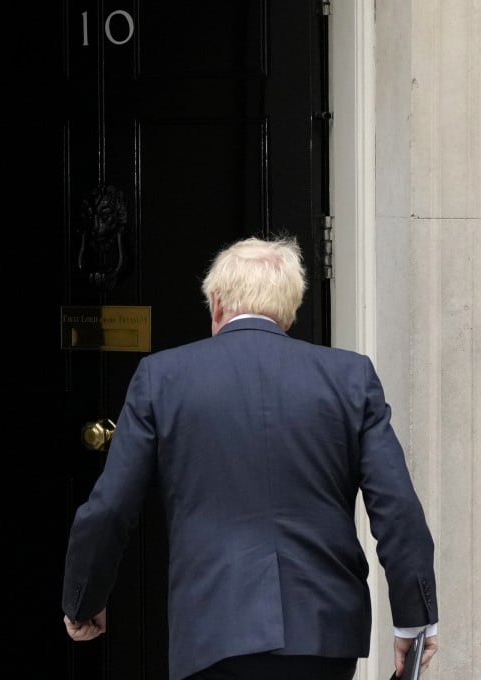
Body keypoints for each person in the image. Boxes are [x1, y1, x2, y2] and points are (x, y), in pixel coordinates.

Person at [61, 235, 439, 680]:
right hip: (322, 632)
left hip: (212, 629)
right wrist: (414, 618)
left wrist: (84, 600)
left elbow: (111, 507)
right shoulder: (349, 378)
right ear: (290, 311)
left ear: (216, 303)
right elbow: (396, 507)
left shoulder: (161, 378)